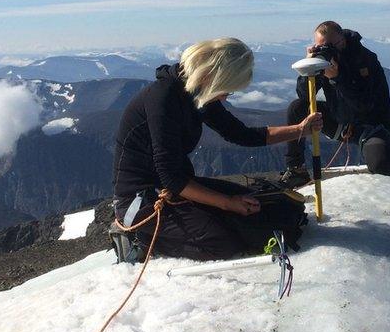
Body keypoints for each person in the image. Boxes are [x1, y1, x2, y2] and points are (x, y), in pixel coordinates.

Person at [111, 37, 322, 261]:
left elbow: (242, 134)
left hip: (174, 187)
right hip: (139, 200)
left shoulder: (196, 92)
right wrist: (228, 203)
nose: (225, 96)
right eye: (227, 89)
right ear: (215, 77)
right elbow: (171, 177)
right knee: (222, 242)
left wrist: (300, 129)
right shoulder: (162, 99)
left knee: (259, 206)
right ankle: (138, 239)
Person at [279, 21, 390, 187]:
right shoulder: (325, 59)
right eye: (321, 46)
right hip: (340, 120)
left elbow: (365, 105)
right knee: (297, 108)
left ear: (342, 40)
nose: (326, 50)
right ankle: (296, 169)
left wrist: (337, 78)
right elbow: (304, 95)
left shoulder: (365, 59)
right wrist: (309, 68)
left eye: (330, 46)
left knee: (380, 165)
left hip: (372, 126)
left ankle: (388, 195)